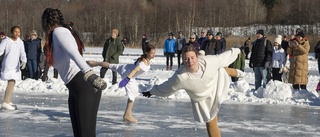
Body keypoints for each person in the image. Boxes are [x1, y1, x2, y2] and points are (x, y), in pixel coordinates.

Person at [142, 46, 243, 137]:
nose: (190, 61)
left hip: (214, 84)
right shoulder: (181, 77)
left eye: (192, 58)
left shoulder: (208, 61)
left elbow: (224, 57)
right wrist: (152, 91)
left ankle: (233, 72)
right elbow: (167, 87)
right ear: (183, 61)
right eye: (186, 59)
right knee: (211, 121)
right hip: (201, 98)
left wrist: (237, 50)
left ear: (197, 57)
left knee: (221, 70)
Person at [41, 8, 107, 137]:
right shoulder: (55, 36)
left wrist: (90, 74)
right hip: (75, 88)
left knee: (86, 134)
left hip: (85, 85)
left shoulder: (59, 32)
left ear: (45, 22)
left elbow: (74, 53)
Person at [87, 45, 156, 123]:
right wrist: (127, 79)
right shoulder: (143, 61)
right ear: (146, 52)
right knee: (133, 92)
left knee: (110, 65)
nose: (154, 55)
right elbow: (135, 70)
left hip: (125, 67)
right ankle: (127, 115)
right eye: (151, 53)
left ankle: (94, 63)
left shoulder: (146, 59)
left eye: (154, 53)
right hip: (128, 73)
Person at [0, 26, 27, 110]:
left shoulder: (20, 42)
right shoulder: (6, 41)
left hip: (16, 65)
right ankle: (5, 101)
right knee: (11, 81)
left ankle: (8, 100)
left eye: (18, 32)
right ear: (12, 32)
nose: (17, 33)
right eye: (15, 32)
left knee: (13, 81)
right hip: (8, 64)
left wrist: (24, 60)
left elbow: (22, 52)